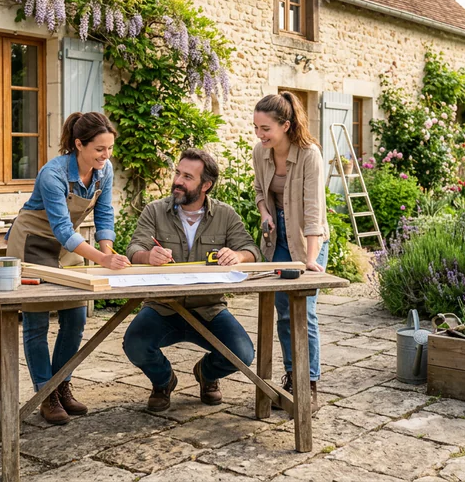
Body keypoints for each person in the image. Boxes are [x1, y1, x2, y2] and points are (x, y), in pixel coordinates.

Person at [6, 112, 131, 425]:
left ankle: (62, 383)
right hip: (34, 242)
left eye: (110, 149)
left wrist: (107, 252)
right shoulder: (54, 174)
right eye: (99, 149)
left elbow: (104, 215)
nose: (106, 155)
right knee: (36, 323)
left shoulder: (104, 172)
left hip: (68, 246)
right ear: (79, 144)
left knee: (75, 317)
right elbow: (62, 227)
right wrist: (101, 260)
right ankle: (44, 392)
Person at [122, 149, 261, 412]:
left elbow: (251, 250)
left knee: (243, 354)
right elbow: (134, 249)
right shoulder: (154, 210)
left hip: (208, 309)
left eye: (187, 176)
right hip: (162, 306)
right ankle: (164, 381)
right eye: (177, 172)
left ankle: (206, 374)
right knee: (134, 344)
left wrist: (238, 255)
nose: (178, 180)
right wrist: (147, 255)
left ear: (206, 185)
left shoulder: (225, 214)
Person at [252, 92, 329, 411]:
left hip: (307, 237)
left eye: (265, 128)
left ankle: (308, 382)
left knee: (304, 309)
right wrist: (266, 214)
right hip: (277, 237)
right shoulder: (261, 152)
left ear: (286, 125)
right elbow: (259, 189)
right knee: (283, 309)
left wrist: (310, 259)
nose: (259, 134)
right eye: (256, 127)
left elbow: (313, 210)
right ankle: (290, 375)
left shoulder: (309, 154)